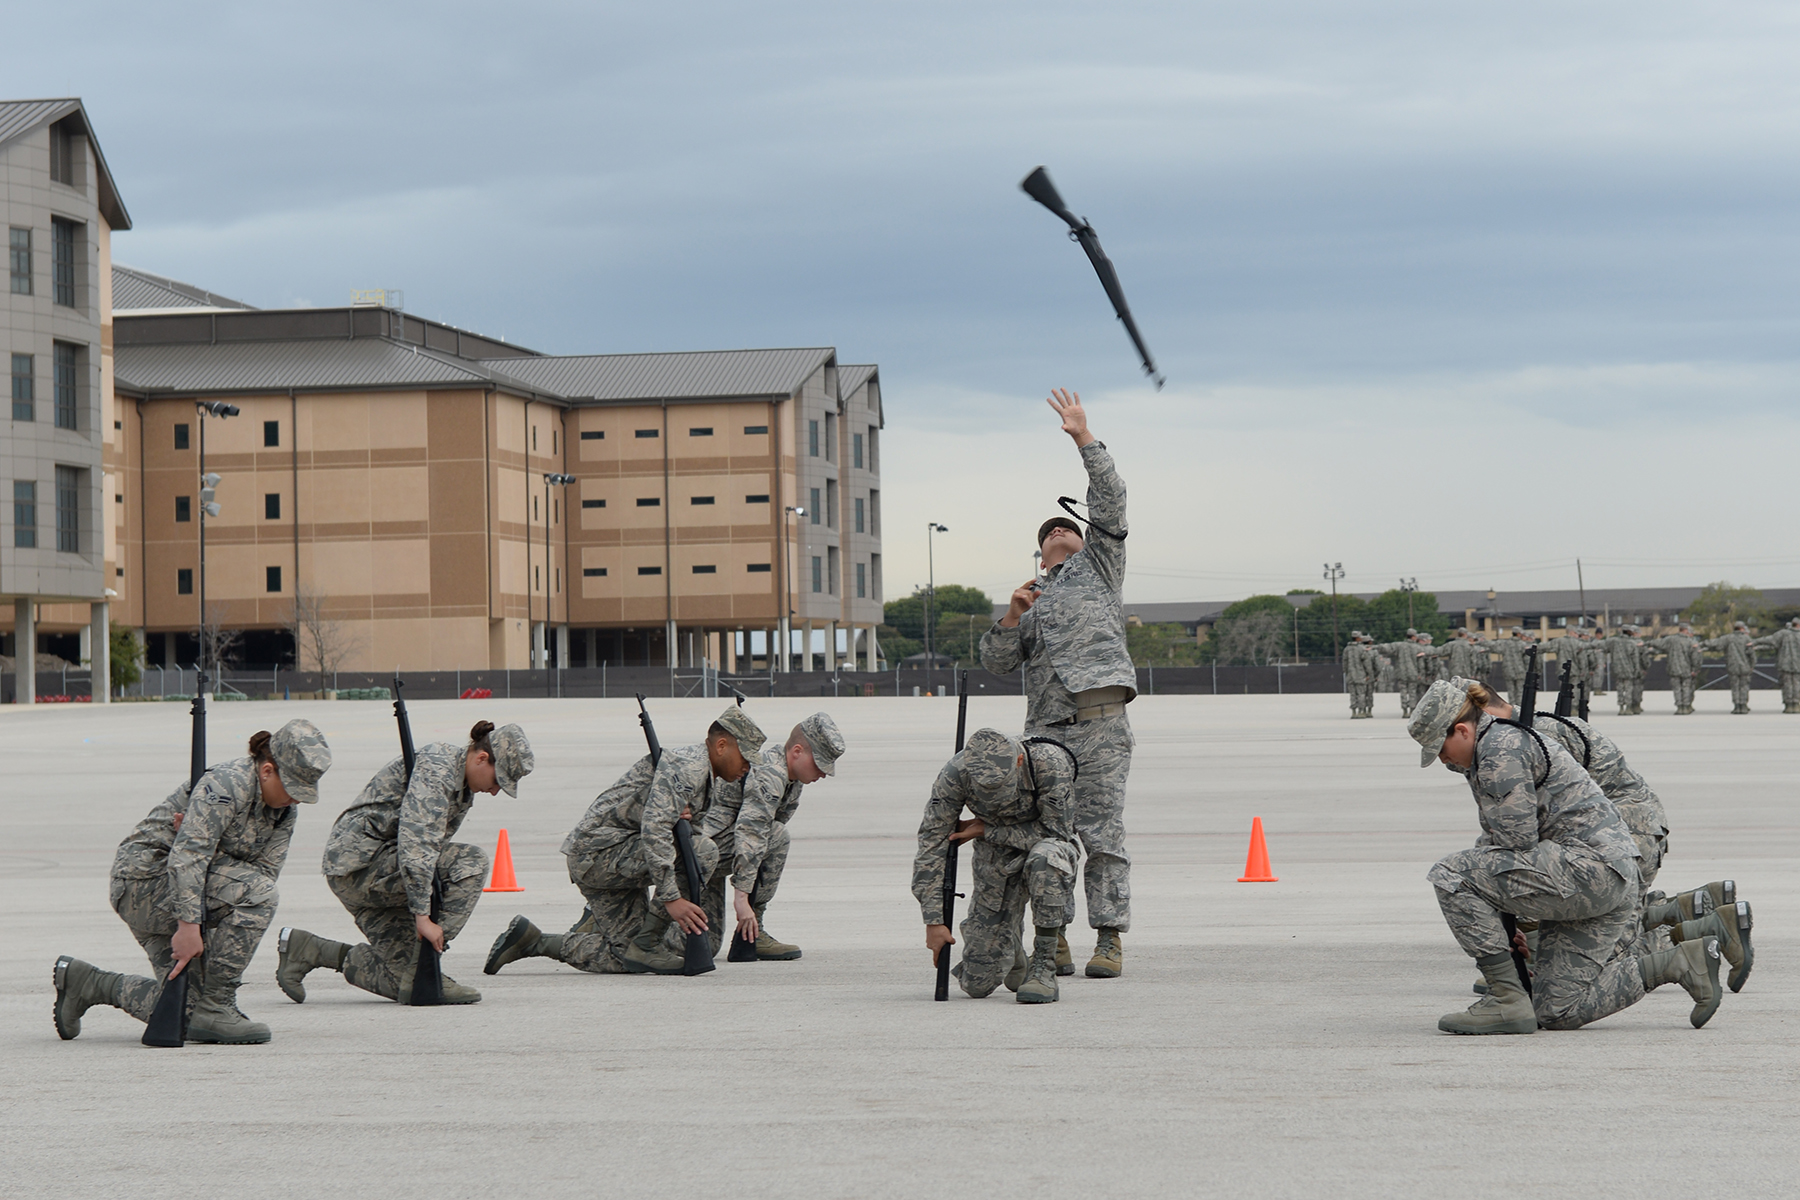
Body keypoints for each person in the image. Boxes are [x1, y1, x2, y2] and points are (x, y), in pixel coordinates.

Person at [1407, 679, 1738, 1033]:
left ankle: (1504, 999)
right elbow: (1505, 851)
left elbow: (1514, 842)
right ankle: (1679, 961)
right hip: (1609, 876)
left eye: (1440, 749)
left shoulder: (1499, 749)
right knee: (1554, 1010)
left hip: (1588, 870)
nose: (1442, 759)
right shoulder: (1500, 742)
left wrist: (1512, 916)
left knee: (1451, 874)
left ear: (1461, 730)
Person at [980, 388, 1135, 979]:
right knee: (1054, 835)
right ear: (1040, 554)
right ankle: (1054, 935)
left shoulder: (1100, 568)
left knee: (1105, 835)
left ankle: (1110, 938)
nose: (1060, 535)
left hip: (1102, 726)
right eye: (1050, 535)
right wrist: (1013, 615)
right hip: (1047, 736)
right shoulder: (1033, 598)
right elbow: (995, 662)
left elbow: (1111, 503)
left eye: (1068, 529)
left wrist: (1082, 437)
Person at [54, 721, 333, 1044]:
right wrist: (189, 927)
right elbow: (188, 857)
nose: (295, 800)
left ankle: (88, 983)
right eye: (293, 790)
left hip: (193, 892)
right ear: (268, 771)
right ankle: (217, 1006)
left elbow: (262, 871)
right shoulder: (226, 785)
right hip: (144, 885)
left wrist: (210, 936)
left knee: (186, 1012)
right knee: (260, 895)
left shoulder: (283, 812)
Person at [484, 706, 764, 978]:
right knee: (703, 852)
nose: (747, 767)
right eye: (746, 758)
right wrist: (672, 899)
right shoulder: (689, 768)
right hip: (598, 855)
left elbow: (681, 830)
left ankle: (533, 941)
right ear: (722, 746)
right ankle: (647, 942)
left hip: (615, 856)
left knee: (628, 959)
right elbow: (656, 832)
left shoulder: (704, 775)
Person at [277, 720, 533, 1006]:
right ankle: (426, 960)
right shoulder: (439, 769)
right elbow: (418, 845)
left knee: (411, 986)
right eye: (498, 780)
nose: (496, 790)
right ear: (482, 758)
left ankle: (309, 949)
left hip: (381, 873)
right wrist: (423, 917)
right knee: (470, 863)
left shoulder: (462, 783)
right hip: (362, 868)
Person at [913, 728, 1080, 1004]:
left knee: (1046, 859)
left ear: (1018, 762)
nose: (995, 796)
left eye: (1001, 786)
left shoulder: (1049, 764)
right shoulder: (955, 773)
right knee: (976, 984)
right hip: (995, 859)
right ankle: (1012, 948)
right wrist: (934, 921)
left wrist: (987, 830)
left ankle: (1044, 966)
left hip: (1045, 847)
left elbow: (1056, 832)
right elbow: (932, 845)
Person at [696, 712, 846, 960]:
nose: (823, 773)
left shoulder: (792, 779)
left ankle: (753, 931)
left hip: (720, 849)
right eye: (818, 763)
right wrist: (742, 899)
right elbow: (752, 833)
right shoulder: (771, 774)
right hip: (704, 851)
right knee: (777, 836)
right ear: (796, 751)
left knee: (707, 946)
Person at [1702, 620, 1758, 714]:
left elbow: (1715, 643)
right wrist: (1752, 666)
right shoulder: (1747, 639)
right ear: (1742, 628)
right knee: (1744, 686)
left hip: (1732, 667)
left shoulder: (1728, 638)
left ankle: (1736, 706)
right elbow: (1752, 655)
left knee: (1735, 687)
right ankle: (1743, 705)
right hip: (1745, 667)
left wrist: (1702, 644)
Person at [1654, 622, 1704, 715]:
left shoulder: (1671, 640)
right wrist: (1695, 669)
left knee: (1677, 689)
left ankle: (1679, 707)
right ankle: (1686, 707)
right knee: (1686, 688)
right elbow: (1695, 657)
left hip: (1674, 669)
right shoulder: (1691, 642)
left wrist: (1647, 643)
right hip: (1687, 669)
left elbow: (1659, 644)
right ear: (1686, 630)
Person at [1373, 630, 1427, 718]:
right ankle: (1412, 710)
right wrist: (1421, 673)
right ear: (1413, 637)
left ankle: (1405, 710)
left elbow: (1386, 648)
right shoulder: (1418, 648)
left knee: (1403, 692)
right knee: (1412, 692)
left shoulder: (1399, 645)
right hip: (1413, 673)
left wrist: (1374, 647)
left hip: (1401, 673)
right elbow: (1421, 663)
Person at [1754, 616, 1800, 714]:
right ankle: (1796, 704)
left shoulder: (1783, 634)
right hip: (1798, 665)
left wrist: (1755, 642)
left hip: (1785, 664)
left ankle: (1788, 705)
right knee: (1797, 684)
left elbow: (1770, 641)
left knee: (1787, 684)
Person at [1602, 625, 1648, 716]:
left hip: (1617, 670)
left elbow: (1605, 648)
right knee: (1628, 689)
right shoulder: (1631, 643)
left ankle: (1621, 708)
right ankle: (1628, 707)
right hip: (1629, 670)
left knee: (1619, 689)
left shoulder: (1614, 642)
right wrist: (1637, 670)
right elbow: (1635, 659)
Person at [1490, 630, 1533, 706]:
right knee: (1520, 690)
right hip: (1520, 670)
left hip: (1508, 670)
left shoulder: (1506, 644)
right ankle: (1519, 707)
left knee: (1511, 691)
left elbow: (1496, 649)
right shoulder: (1522, 644)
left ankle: (1512, 707)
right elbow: (1527, 659)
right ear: (1518, 634)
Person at [1343, 631, 1377, 719]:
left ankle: (1353, 712)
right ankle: (1361, 711)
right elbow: (1367, 663)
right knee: (1361, 694)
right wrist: (1369, 674)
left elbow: (1344, 663)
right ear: (1358, 638)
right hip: (1360, 675)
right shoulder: (1361, 649)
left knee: (1352, 694)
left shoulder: (1347, 649)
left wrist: (1346, 672)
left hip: (1350, 675)